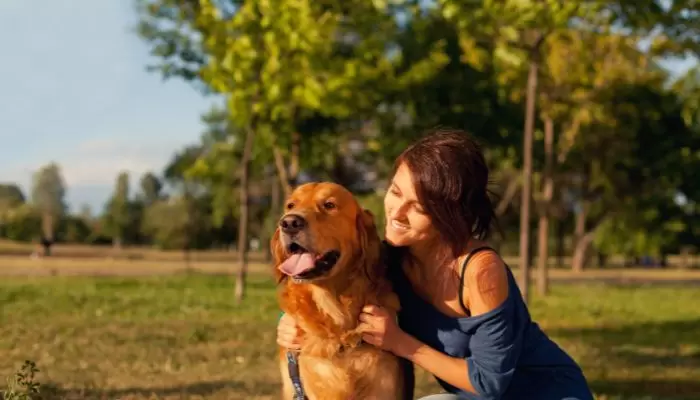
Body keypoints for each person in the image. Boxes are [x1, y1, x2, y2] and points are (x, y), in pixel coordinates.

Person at [277, 128, 594, 400]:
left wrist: (401, 343)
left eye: (417, 206)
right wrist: (291, 320)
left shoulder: (480, 271)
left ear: (449, 214)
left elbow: (490, 383)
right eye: (395, 192)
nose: (397, 212)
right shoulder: (392, 257)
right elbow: (335, 276)